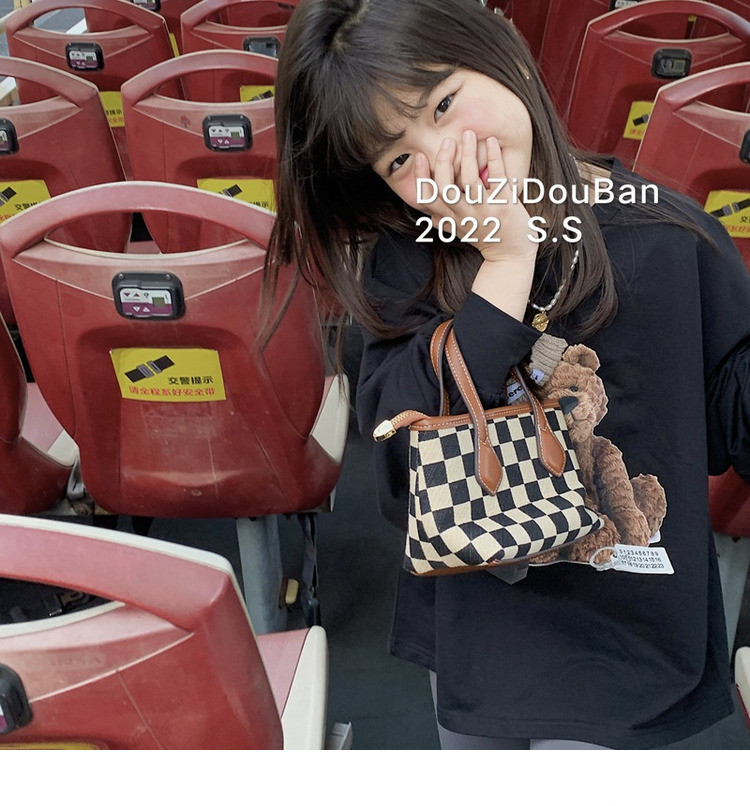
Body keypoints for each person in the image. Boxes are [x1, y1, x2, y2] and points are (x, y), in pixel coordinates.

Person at [264, 0, 750, 749]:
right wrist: (507, 262)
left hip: (635, 647)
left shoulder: (668, 237)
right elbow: (400, 471)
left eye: (443, 104)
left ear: (510, 58)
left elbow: (734, 419)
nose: (444, 153)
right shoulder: (408, 265)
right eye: (398, 159)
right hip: (481, 639)